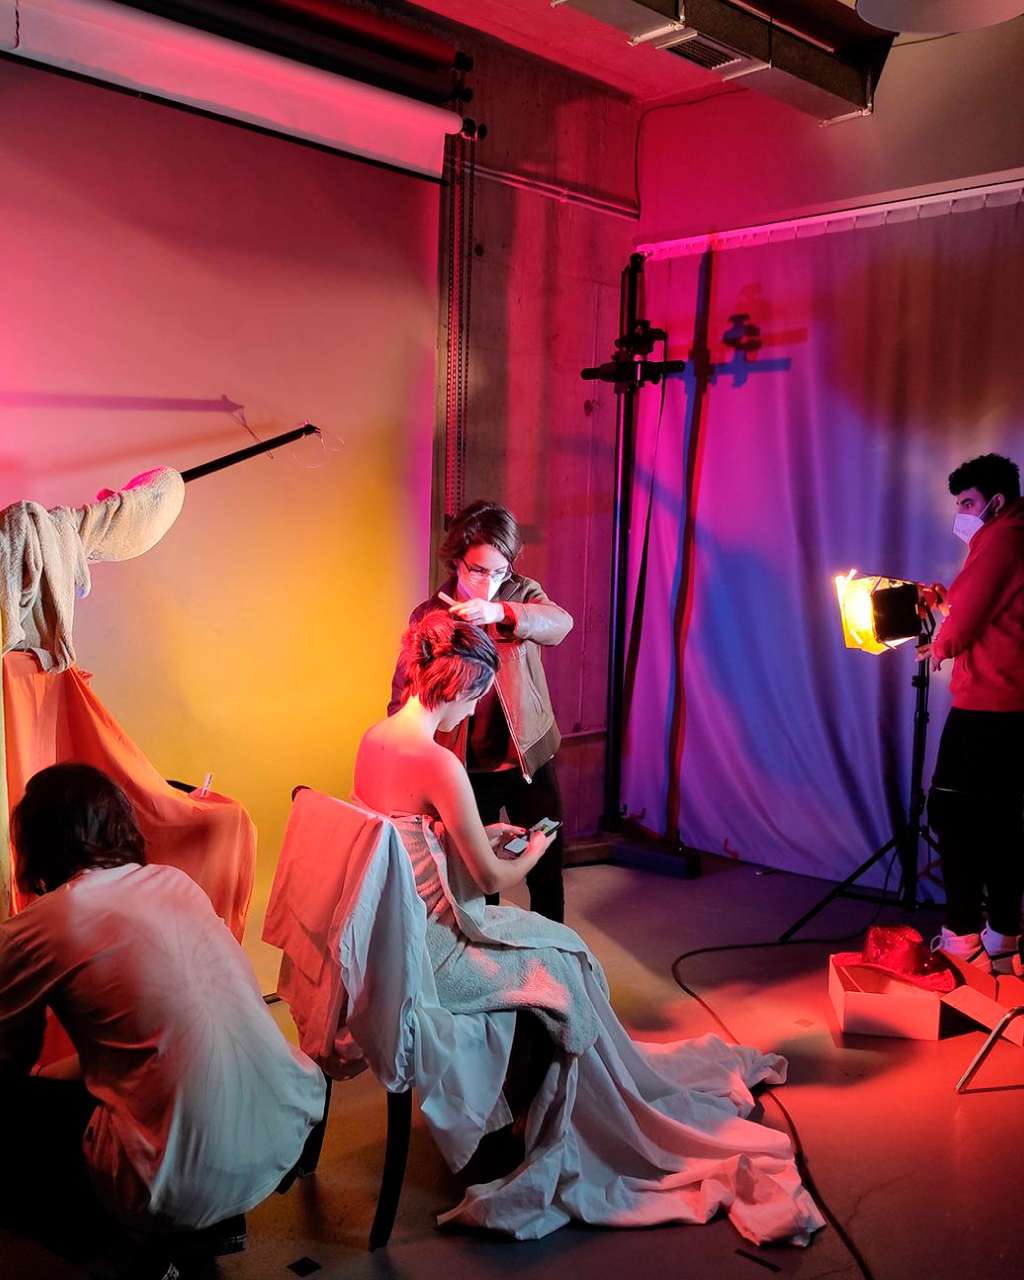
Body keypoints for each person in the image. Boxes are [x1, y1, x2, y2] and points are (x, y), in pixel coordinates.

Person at [358, 611, 824, 1246]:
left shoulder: (375, 738)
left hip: (398, 933)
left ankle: (533, 1107)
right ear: (457, 684)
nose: (471, 712)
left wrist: (478, 834)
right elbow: (491, 876)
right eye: (474, 698)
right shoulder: (437, 762)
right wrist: (533, 850)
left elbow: (406, 839)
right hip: (435, 951)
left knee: (559, 949)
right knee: (564, 963)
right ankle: (549, 1125)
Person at [0, 764, 327, 1277]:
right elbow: (153, 1039)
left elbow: (9, 1060)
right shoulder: (175, 883)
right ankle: (204, 1228)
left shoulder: (43, 923)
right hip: (284, 1126)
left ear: (34, 843)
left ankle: (117, 1252)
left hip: (179, 1180)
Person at [388, 500, 572, 922]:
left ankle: (554, 950)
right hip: (465, 765)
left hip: (527, 756)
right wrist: (406, 756)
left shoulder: (521, 592)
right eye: (478, 571)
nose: (488, 582)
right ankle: (486, 952)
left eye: (499, 571)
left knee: (546, 866)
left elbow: (560, 624)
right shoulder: (431, 615)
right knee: (477, 876)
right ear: (457, 560)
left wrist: (500, 611)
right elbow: (403, 693)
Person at [917, 453, 1024, 972]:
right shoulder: (1012, 535)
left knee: (953, 814)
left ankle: (961, 940)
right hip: (1012, 706)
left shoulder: (1003, 537)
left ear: (995, 501)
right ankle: (1003, 938)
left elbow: (965, 624)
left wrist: (938, 646)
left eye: (967, 503)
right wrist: (945, 605)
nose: (961, 513)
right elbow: (996, 611)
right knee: (1003, 820)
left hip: (988, 706)